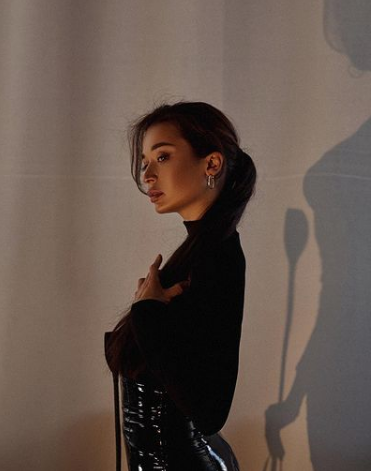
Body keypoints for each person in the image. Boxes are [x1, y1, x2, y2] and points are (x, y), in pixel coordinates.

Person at [104, 101, 257, 471]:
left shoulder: (215, 257)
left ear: (211, 164)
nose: (147, 175)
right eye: (145, 161)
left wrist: (147, 313)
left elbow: (209, 411)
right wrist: (149, 313)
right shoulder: (200, 251)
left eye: (163, 157)